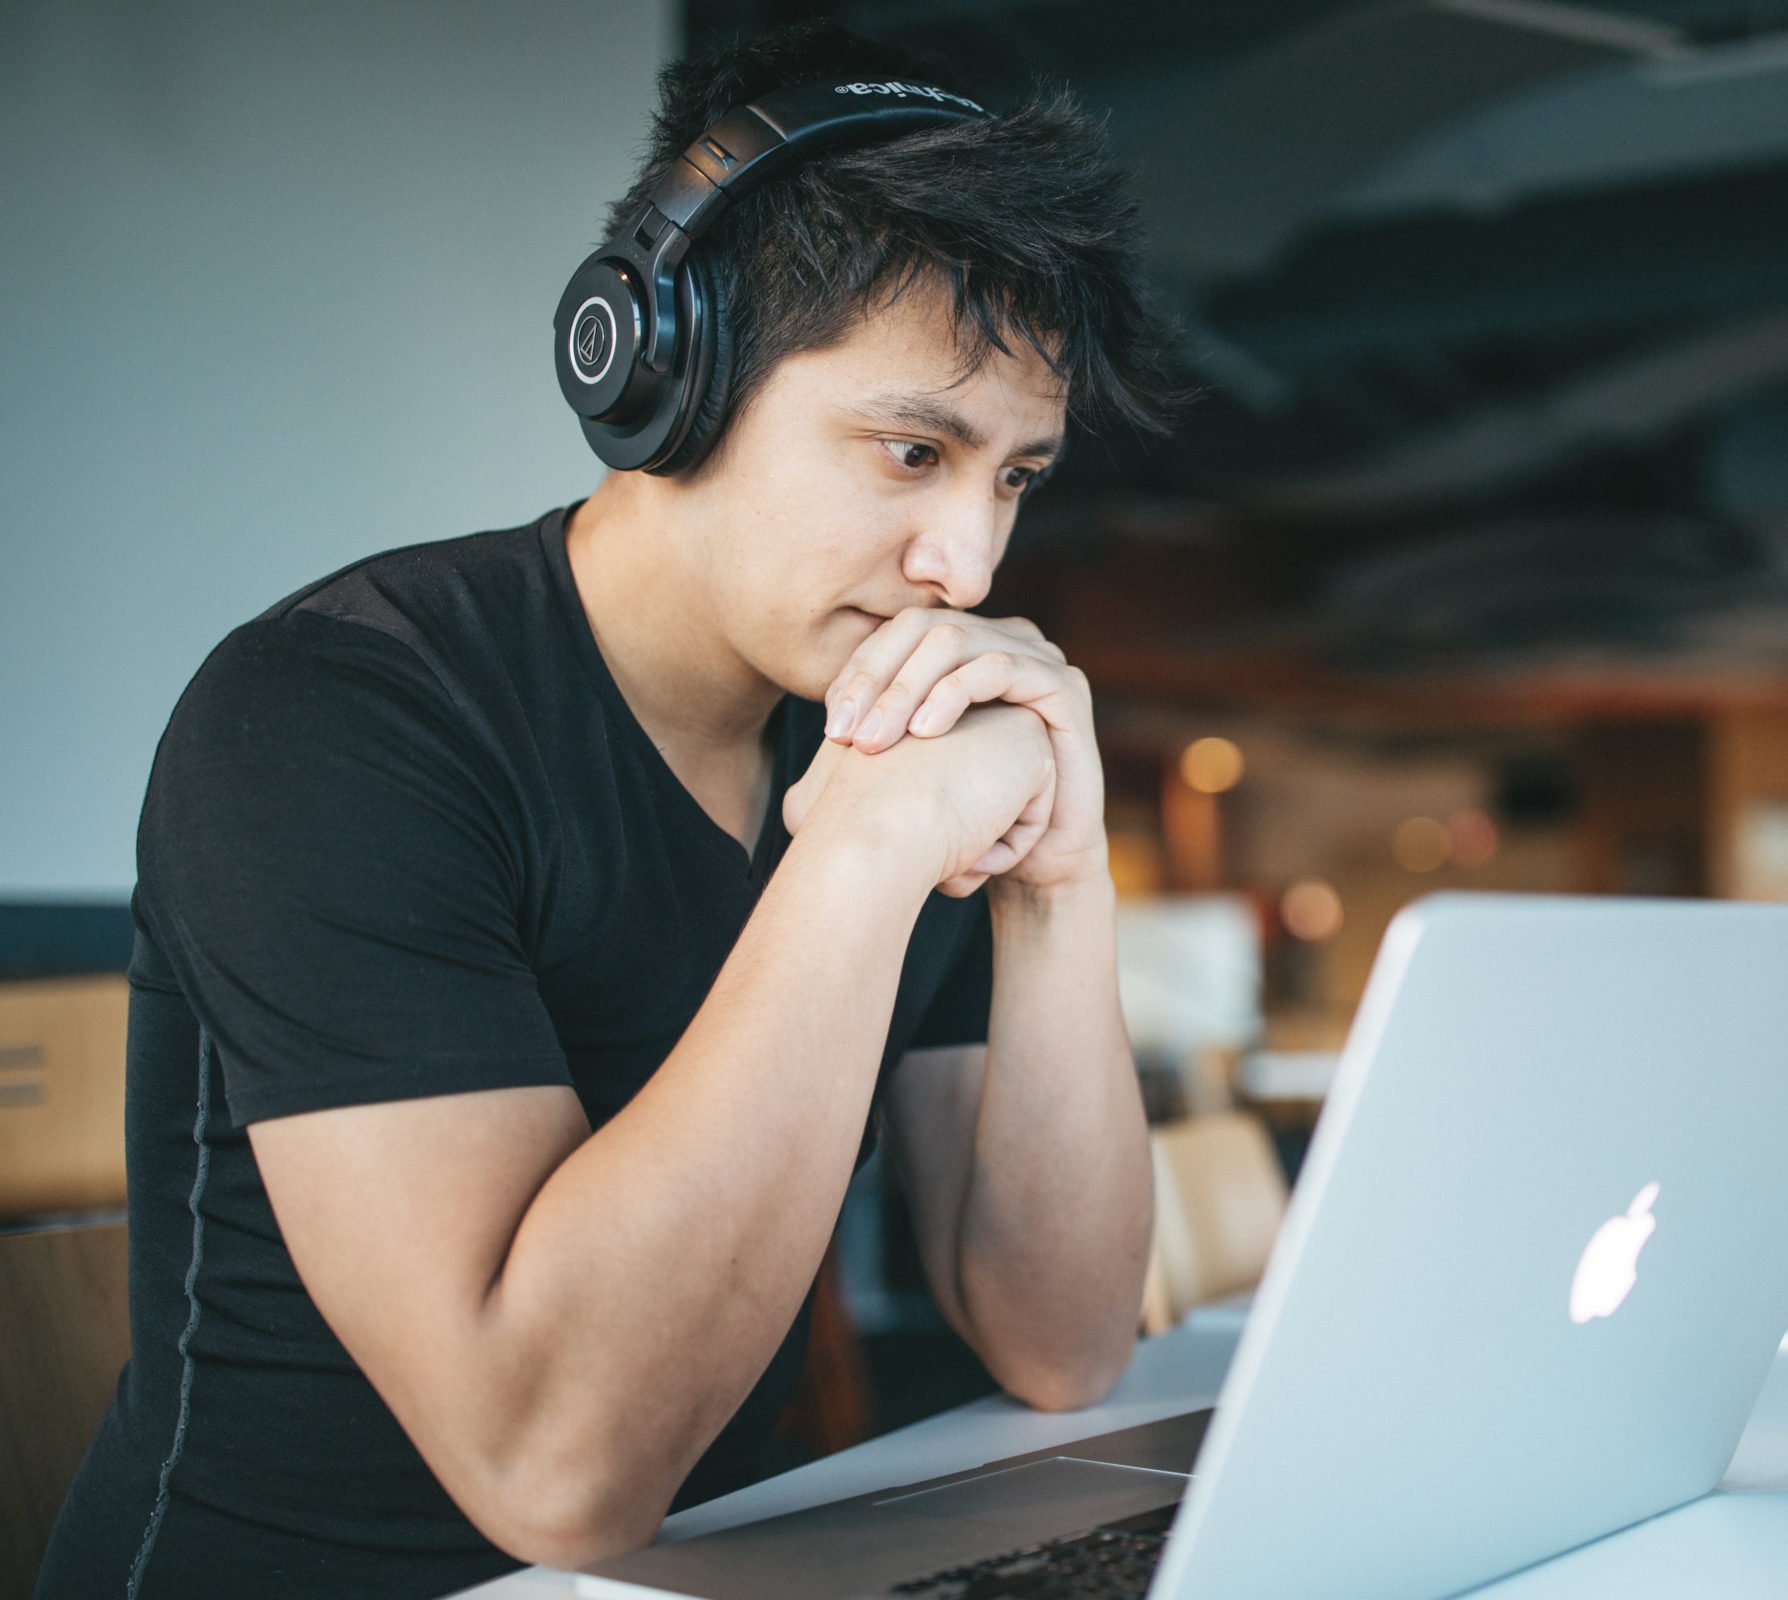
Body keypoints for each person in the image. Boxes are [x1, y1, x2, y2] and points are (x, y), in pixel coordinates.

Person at [40, 21, 1192, 1599]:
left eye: (1014, 478)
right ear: (668, 374)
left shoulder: (880, 729)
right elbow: (553, 1470)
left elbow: (1060, 1345)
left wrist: (1062, 883)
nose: (969, 568)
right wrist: (856, 853)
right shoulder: (333, 720)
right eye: (911, 450)